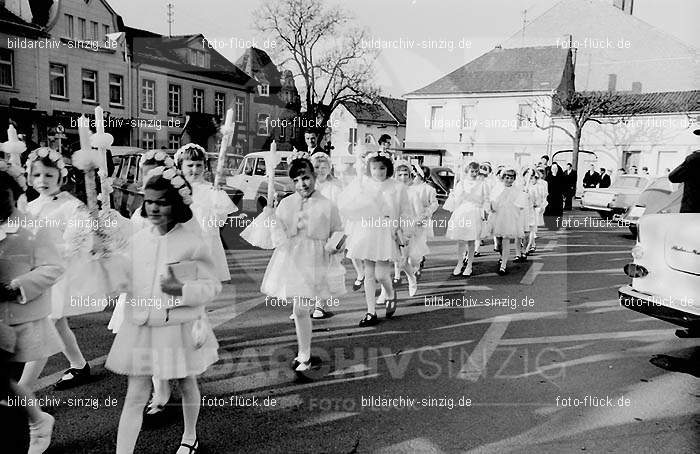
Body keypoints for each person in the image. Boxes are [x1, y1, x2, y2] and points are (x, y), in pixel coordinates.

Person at [105, 167, 221, 454]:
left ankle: (190, 435)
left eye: (161, 201)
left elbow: (212, 286)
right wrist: (102, 258)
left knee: (186, 381)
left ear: (176, 205)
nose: (153, 207)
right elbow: (121, 281)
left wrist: (181, 290)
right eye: (149, 201)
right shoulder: (137, 240)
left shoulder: (192, 242)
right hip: (142, 327)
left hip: (176, 327)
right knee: (135, 396)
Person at [20, 148, 97, 391]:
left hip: (57, 275)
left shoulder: (70, 206)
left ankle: (23, 390)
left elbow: (78, 240)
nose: (42, 181)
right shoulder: (28, 206)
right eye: (37, 175)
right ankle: (79, 364)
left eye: (49, 175)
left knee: (44, 330)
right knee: (58, 324)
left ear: (60, 178)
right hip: (35, 275)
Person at [260, 156, 344, 372]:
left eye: (305, 178)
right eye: (296, 180)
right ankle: (303, 352)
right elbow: (278, 237)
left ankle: (304, 354)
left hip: (315, 260)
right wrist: (270, 217)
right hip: (293, 259)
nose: (302, 184)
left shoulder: (328, 204)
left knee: (302, 308)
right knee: (299, 310)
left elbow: (338, 230)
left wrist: (333, 245)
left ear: (314, 176)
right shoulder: (287, 203)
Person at [1, 170, 64, 454]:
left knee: (5, 382)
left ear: (15, 195)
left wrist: (17, 287)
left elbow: (53, 267)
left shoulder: (34, 227)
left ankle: (36, 423)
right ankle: (37, 421)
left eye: (3, 195)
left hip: (19, 321)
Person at [339, 150, 411, 326]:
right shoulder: (363, 184)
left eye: (382, 168)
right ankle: (371, 312)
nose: (378, 172)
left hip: (386, 231)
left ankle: (390, 292)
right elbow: (348, 204)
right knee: (369, 274)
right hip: (368, 230)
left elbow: (405, 211)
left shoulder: (397, 187)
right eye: (374, 168)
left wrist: (405, 232)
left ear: (388, 168)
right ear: (368, 168)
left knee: (381, 274)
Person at [175, 144, 237, 282]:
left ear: (205, 166)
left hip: (207, 245)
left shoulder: (211, 190)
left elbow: (220, 221)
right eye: (190, 165)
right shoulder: (176, 190)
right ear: (180, 166)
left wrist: (217, 197)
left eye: (199, 165)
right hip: (183, 245)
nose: (195, 169)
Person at [307, 151, 344, 318]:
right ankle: (304, 304)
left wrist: (337, 236)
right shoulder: (307, 185)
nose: (321, 170)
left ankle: (320, 305)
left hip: (328, 234)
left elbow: (341, 211)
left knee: (323, 270)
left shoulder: (335, 187)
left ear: (330, 168)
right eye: (316, 167)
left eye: (324, 167)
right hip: (309, 234)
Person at [445, 162, 488, 277]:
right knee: (461, 241)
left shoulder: (482, 184)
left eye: (476, 171)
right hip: (462, 212)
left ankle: (469, 265)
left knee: (471, 241)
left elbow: (486, 199)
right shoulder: (461, 183)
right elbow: (457, 201)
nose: (474, 174)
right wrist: (454, 195)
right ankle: (459, 263)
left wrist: (485, 211)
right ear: (467, 172)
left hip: (475, 212)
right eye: (472, 171)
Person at [490, 169, 528, 275]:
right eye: (507, 178)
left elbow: (520, 205)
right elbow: (492, 201)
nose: (509, 180)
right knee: (498, 243)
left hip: (509, 216)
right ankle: (502, 257)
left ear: (514, 179)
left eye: (511, 178)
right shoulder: (498, 188)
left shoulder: (516, 190)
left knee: (506, 239)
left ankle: (503, 265)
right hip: (498, 215)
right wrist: (492, 207)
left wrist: (515, 207)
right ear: (503, 178)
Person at [391, 160, 418, 295]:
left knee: (403, 258)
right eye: (400, 174)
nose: (403, 177)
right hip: (393, 226)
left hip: (407, 226)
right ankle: (395, 279)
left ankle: (411, 278)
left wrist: (412, 226)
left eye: (405, 174)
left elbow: (417, 212)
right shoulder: (392, 190)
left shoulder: (413, 192)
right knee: (393, 257)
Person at [407, 164, 438, 278]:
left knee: (420, 242)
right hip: (410, 218)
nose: (413, 178)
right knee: (410, 243)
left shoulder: (429, 189)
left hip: (422, 219)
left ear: (421, 176)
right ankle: (413, 263)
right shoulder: (409, 188)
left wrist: (426, 213)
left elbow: (434, 204)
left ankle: (417, 266)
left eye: (415, 175)